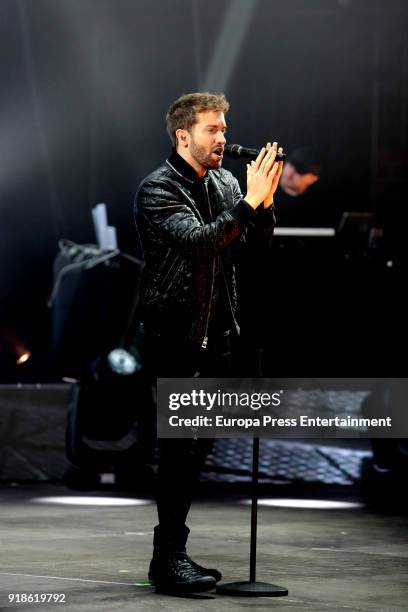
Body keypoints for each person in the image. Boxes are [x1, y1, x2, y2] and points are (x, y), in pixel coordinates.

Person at [134, 92, 283, 593]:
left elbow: (250, 246)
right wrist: (246, 202)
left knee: (198, 449)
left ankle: (170, 554)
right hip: (173, 334)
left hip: (217, 331)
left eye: (224, 128)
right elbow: (200, 242)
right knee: (180, 447)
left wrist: (262, 206)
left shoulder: (222, 181)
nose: (222, 138)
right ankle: (168, 559)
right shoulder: (157, 190)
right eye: (212, 130)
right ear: (183, 135)